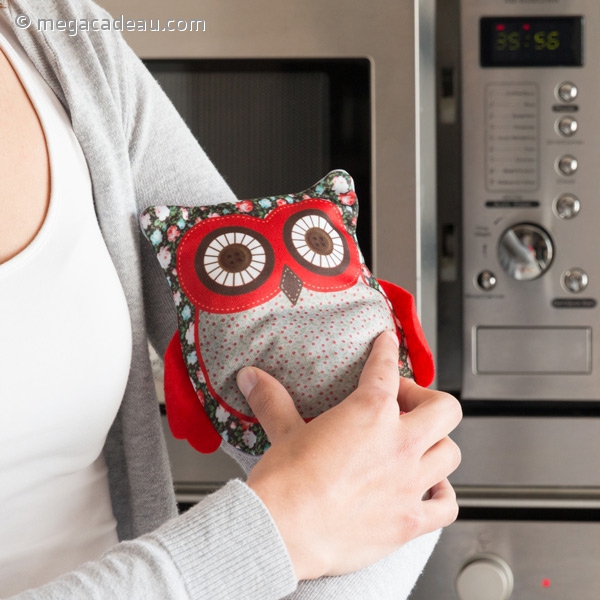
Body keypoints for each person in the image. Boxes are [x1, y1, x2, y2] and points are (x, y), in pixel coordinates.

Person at [0, 0, 462, 598]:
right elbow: (315, 515)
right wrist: (280, 533)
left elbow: (388, 472)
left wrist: (318, 519)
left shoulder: (58, 37)